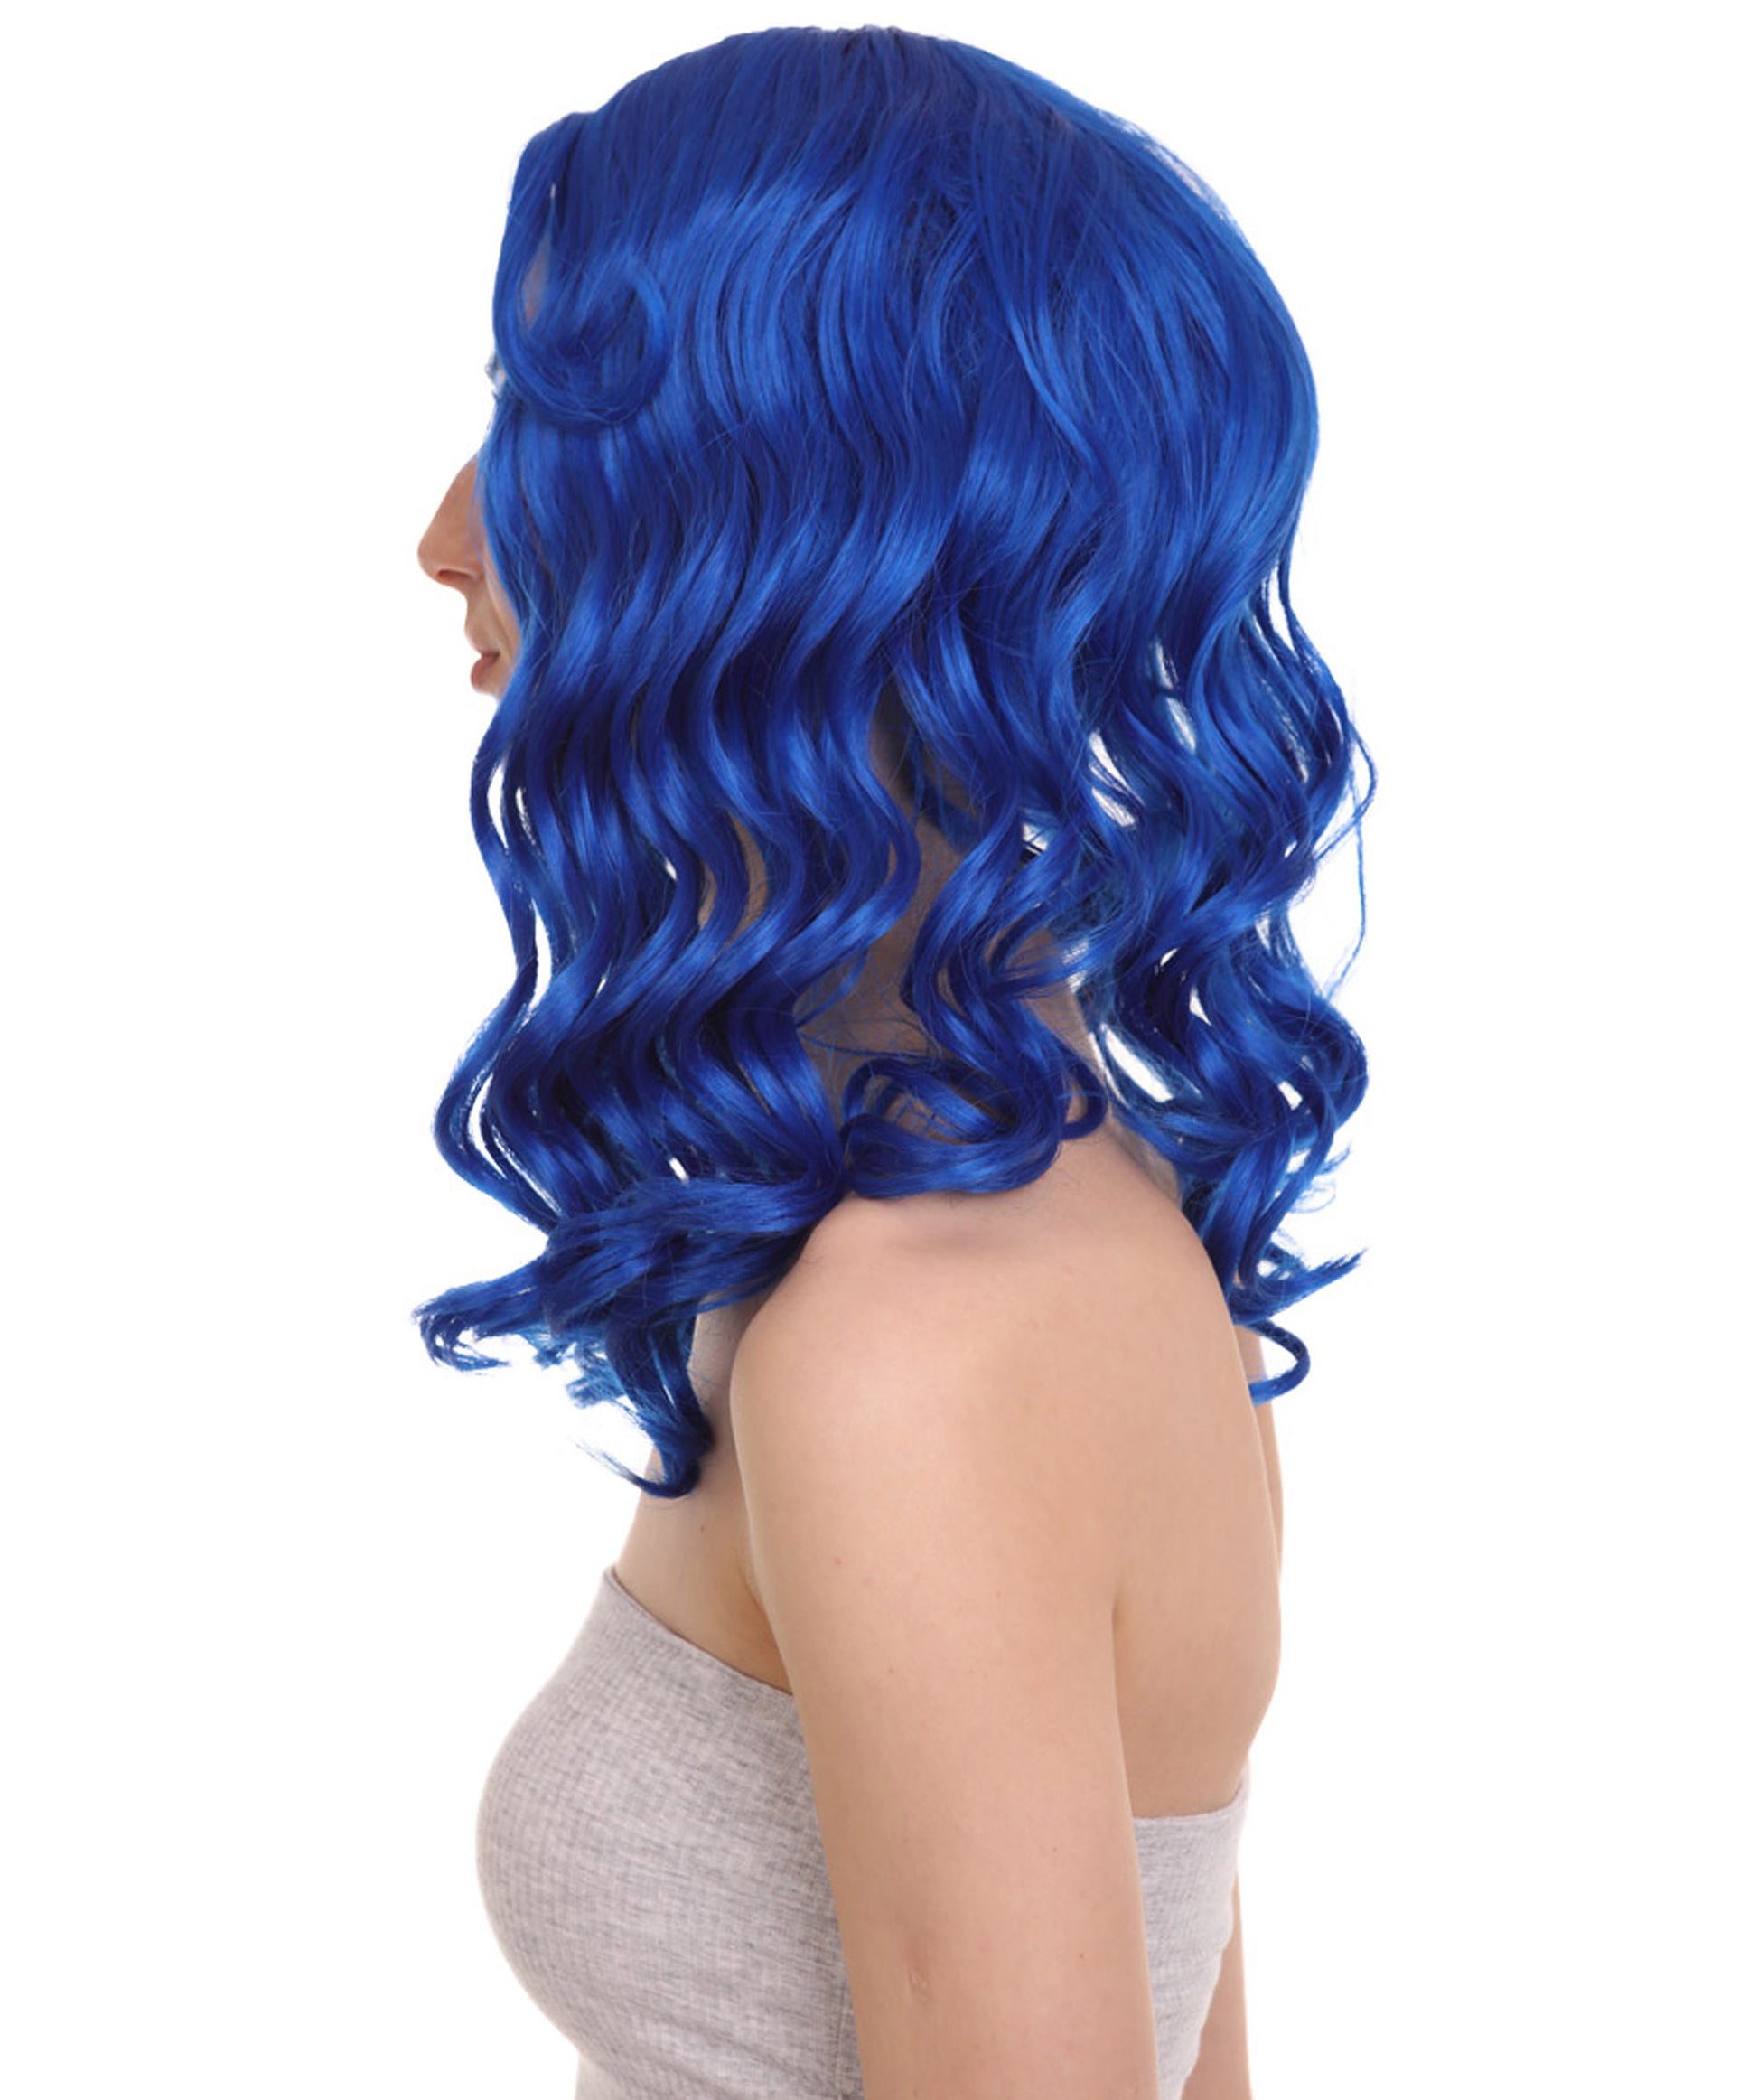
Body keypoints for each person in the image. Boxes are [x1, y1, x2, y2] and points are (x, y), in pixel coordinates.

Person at [415, 26, 1369, 2098]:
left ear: (791, 520)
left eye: (538, 416)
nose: (444, 533)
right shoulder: (1071, 1223)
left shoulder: (916, 1342)